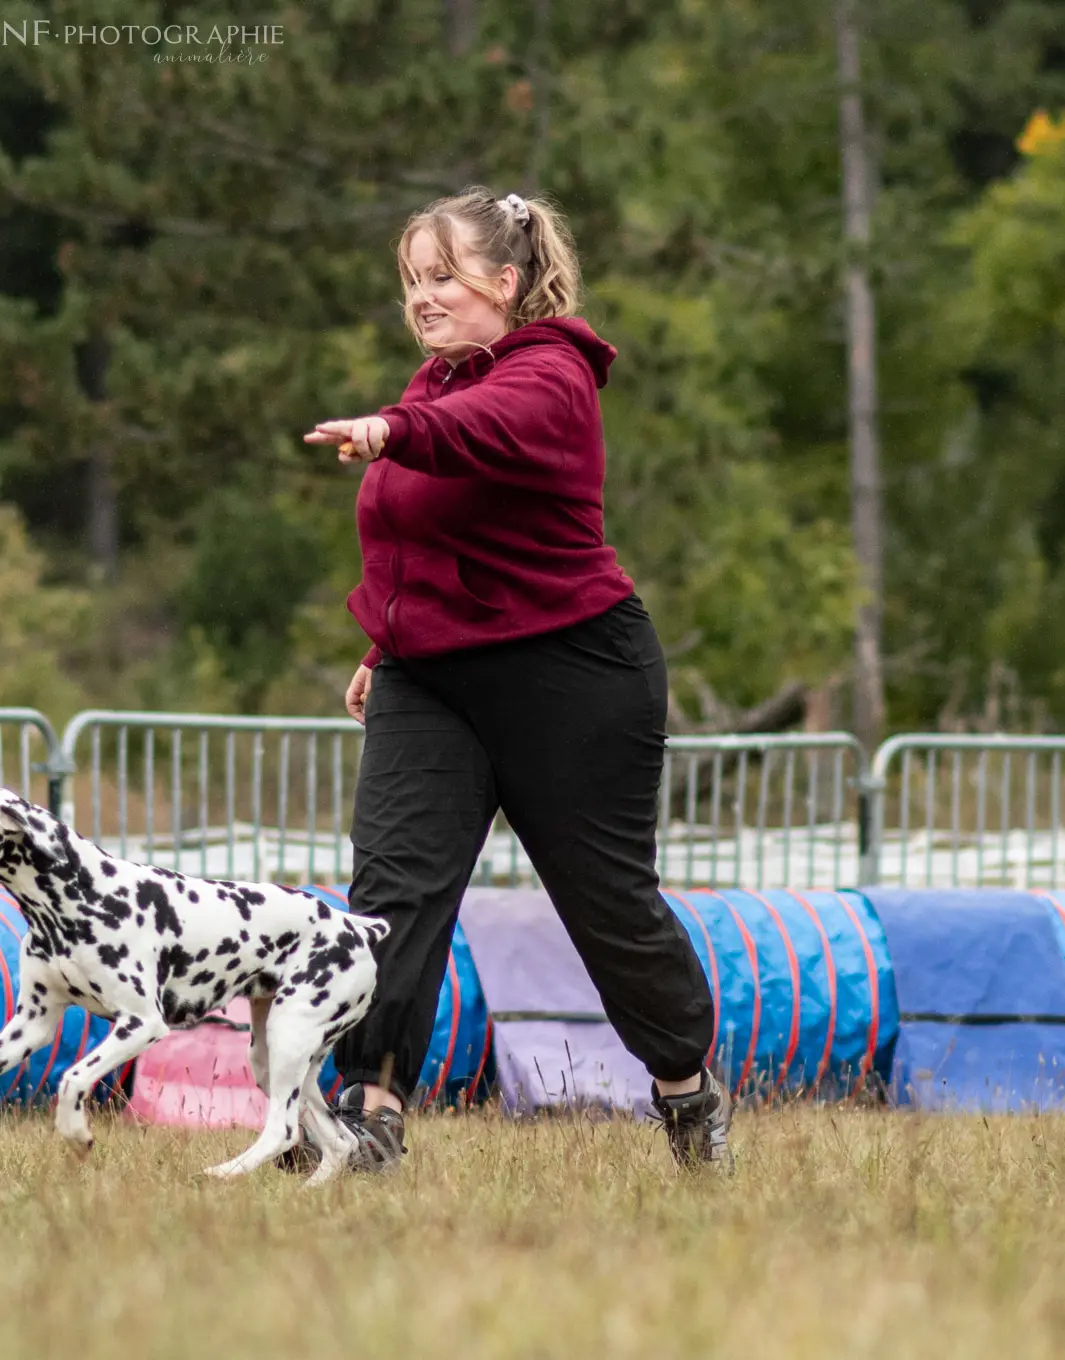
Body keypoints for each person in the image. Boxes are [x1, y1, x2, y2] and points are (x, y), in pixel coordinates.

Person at [298, 186, 730, 1172]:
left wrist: (390, 433)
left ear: (504, 280)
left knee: (606, 907)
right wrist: (381, 644)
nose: (421, 296)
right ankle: (369, 1114)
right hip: (432, 678)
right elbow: (420, 534)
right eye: (410, 279)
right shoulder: (430, 385)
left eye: (441, 275)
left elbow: (484, 432)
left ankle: (684, 1090)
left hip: (569, 675)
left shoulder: (553, 373)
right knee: (391, 896)